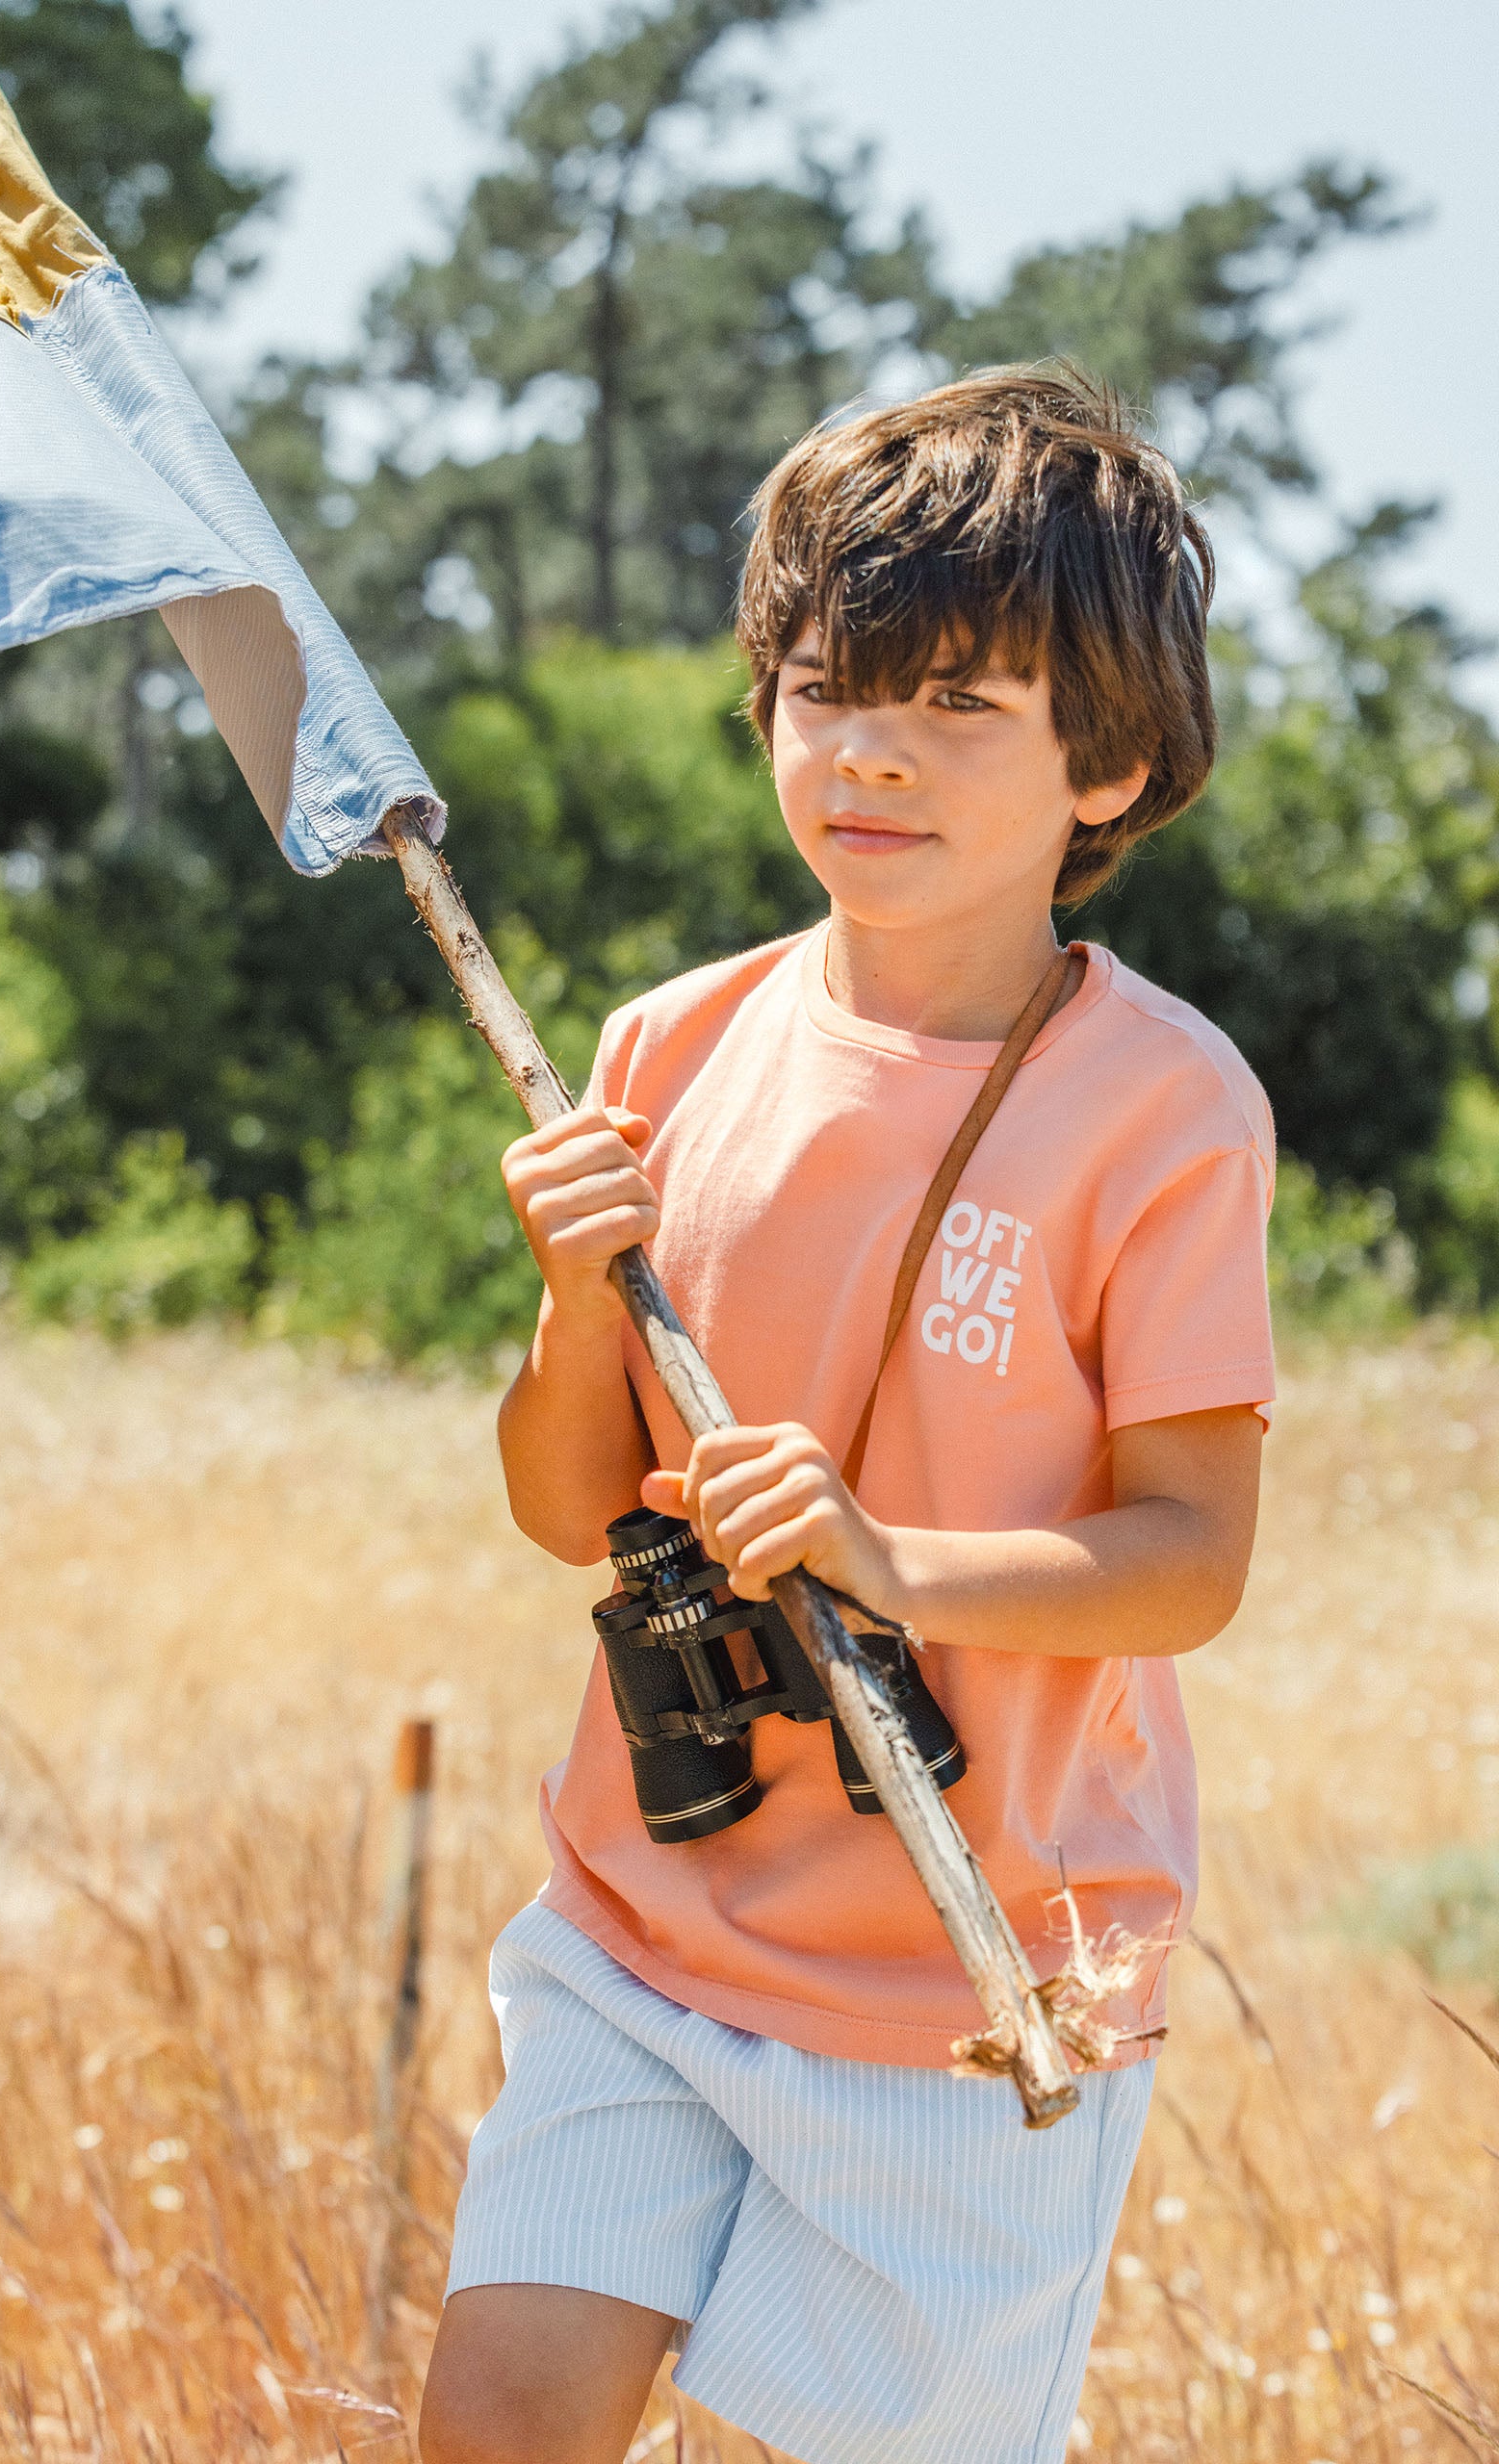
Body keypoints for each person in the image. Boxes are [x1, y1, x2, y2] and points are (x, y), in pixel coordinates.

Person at [419, 366, 1276, 2464]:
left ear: (1117, 761)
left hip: (978, 1986)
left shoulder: (1166, 1111)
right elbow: (567, 1507)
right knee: (498, 2418)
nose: (868, 749)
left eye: (961, 702)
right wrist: (566, 1294)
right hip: (647, 1915)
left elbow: (1192, 1557)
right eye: (821, 688)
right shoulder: (665, 1042)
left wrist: (889, 1560)